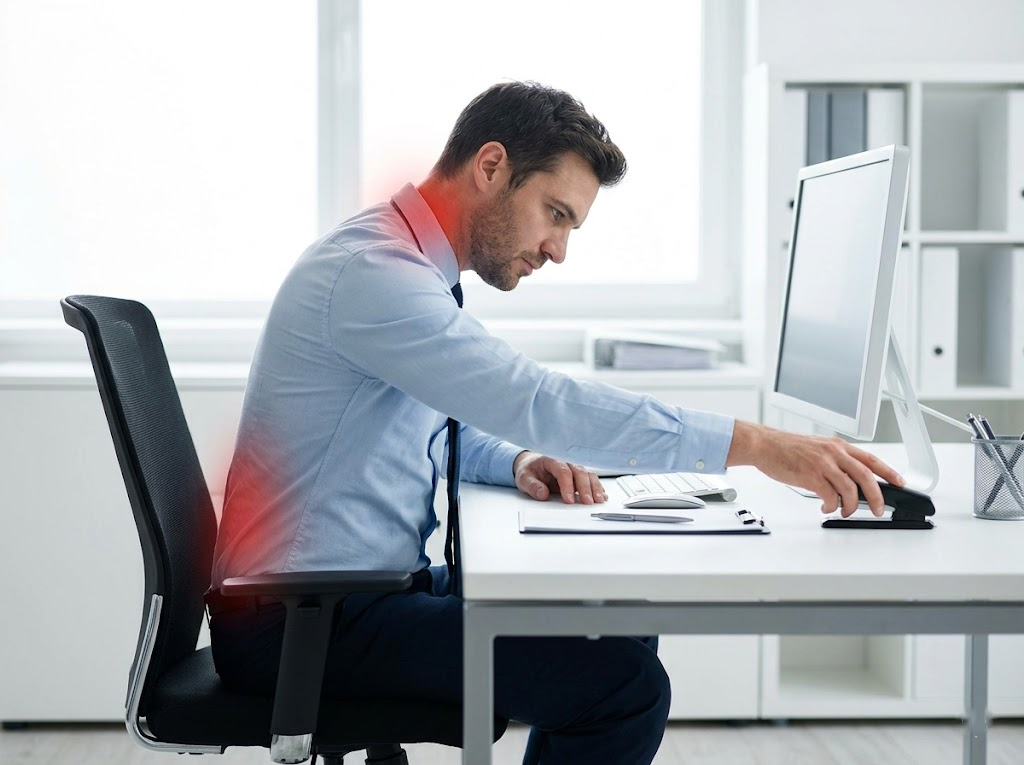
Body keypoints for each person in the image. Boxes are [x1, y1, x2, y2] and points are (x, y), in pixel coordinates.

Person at [208, 81, 904, 765]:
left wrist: (514, 463)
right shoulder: (375, 274)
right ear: (491, 166)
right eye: (556, 214)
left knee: (619, 626)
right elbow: (535, 400)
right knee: (622, 687)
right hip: (304, 623)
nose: (559, 249)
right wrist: (754, 442)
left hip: (347, 596)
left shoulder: (406, 265)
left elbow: (426, 423)